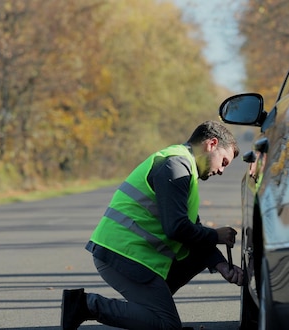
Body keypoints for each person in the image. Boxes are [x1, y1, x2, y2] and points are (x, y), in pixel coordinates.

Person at [61, 120, 245, 330]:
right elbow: (176, 228)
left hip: (135, 254)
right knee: (166, 325)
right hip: (121, 254)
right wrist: (216, 235)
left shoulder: (184, 167)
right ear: (211, 144)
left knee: (197, 251)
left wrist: (221, 265)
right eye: (224, 162)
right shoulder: (174, 167)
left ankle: (150, 309)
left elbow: (193, 227)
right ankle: (85, 305)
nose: (221, 170)